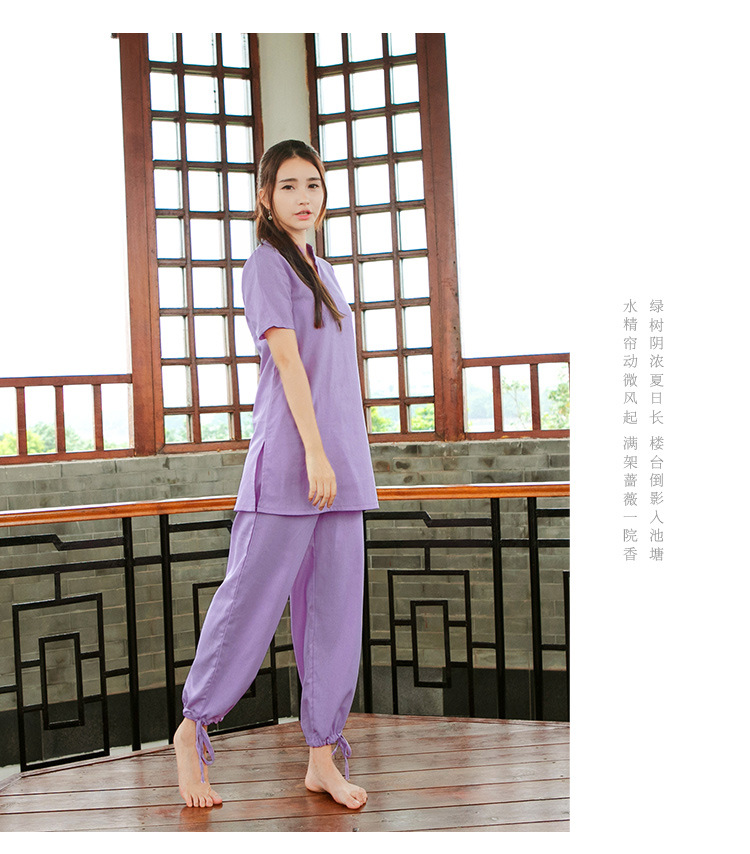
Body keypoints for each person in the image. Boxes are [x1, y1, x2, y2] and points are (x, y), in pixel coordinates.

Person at [173, 139, 379, 810]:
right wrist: (314, 454)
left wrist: (336, 456)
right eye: (288, 186)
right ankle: (193, 728)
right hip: (292, 463)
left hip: (341, 467)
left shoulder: (326, 269)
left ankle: (322, 756)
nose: (303, 197)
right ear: (265, 198)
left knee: (334, 614)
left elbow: (334, 373)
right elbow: (288, 364)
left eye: (313, 184)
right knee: (249, 602)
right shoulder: (265, 264)